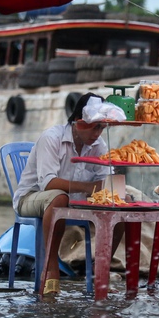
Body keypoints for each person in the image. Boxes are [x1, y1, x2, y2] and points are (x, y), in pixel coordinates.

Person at [12, 92, 122, 295]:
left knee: (123, 205)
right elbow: (48, 183)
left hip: (74, 202)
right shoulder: (51, 138)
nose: (98, 133)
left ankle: (101, 270)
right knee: (59, 197)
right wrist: (88, 188)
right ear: (78, 122)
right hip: (32, 198)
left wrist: (112, 190)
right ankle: (51, 269)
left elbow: (106, 181)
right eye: (94, 126)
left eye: (101, 127)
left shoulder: (99, 145)